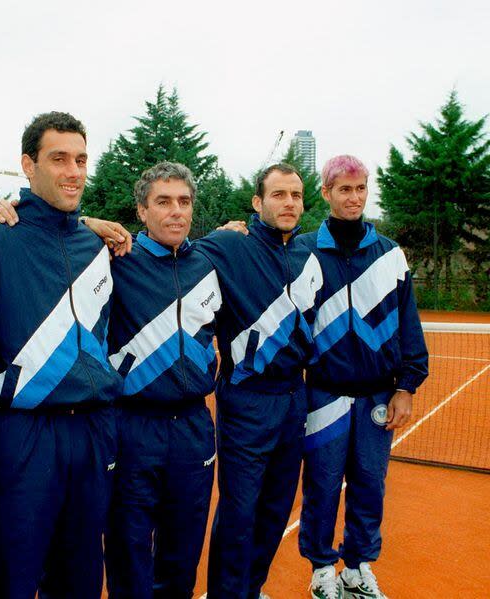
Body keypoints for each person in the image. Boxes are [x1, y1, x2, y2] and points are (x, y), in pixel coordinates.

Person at [0, 111, 124, 599]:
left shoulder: (97, 244)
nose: (73, 171)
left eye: (81, 160)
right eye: (59, 159)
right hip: (22, 435)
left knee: (82, 575)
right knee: (13, 574)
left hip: (93, 432)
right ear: (28, 164)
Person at [297, 155, 428, 599]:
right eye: (344, 190)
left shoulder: (390, 254)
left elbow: (409, 323)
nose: (353, 198)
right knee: (323, 485)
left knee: (370, 483)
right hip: (324, 396)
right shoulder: (304, 251)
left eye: (360, 189)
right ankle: (320, 569)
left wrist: (406, 386)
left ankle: (356, 568)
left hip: (377, 395)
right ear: (327, 193)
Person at [195, 163, 322, 599]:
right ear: (257, 202)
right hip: (247, 401)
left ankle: (252, 588)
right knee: (239, 510)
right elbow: (167, 247)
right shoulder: (230, 244)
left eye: (296, 195)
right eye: (279, 194)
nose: (289, 203)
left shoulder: (308, 255)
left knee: (275, 509)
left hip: (295, 398)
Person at [100, 162, 220, 598]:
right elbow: (56, 230)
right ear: (142, 210)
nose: (176, 212)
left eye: (184, 202)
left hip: (192, 428)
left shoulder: (209, 263)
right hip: (133, 429)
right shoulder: (116, 260)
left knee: (183, 550)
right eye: (163, 202)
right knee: (129, 550)